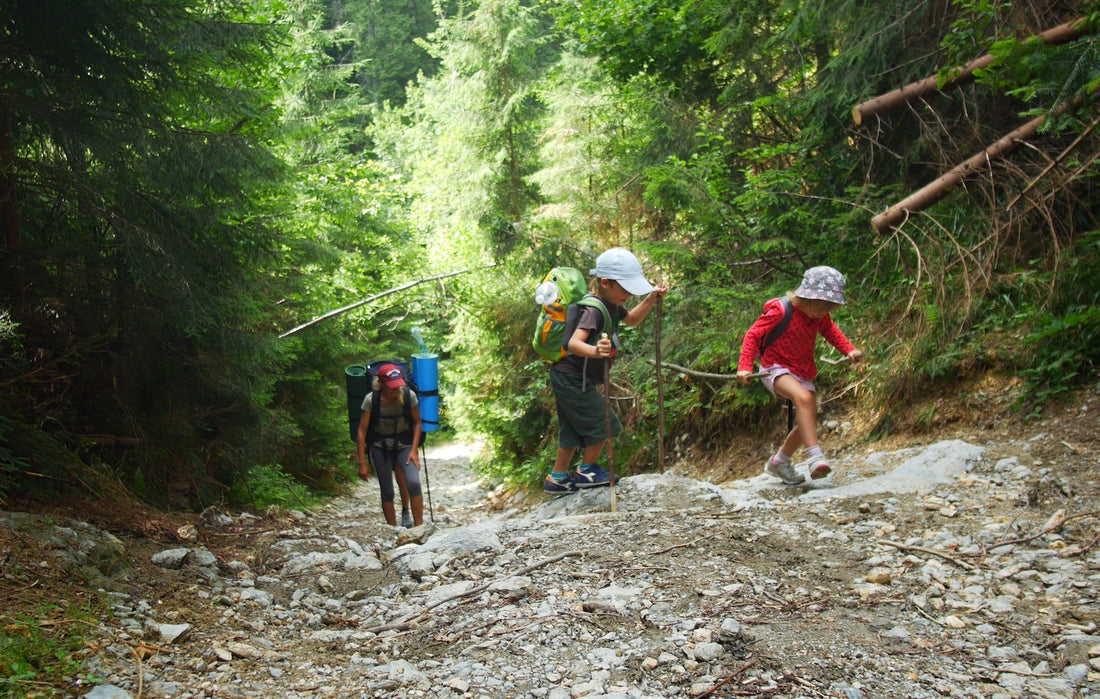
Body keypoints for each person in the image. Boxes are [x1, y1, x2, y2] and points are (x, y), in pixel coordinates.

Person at [544, 247, 669, 493]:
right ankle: (587, 470)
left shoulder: (611, 304)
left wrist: (651, 298)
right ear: (604, 283)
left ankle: (557, 478)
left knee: (571, 430)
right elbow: (574, 343)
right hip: (571, 378)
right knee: (605, 423)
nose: (629, 294)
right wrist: (595, 351)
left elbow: (632, 319)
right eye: (625, 289)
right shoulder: (594, 309)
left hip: (569, 377)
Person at [736, 266, 863, 485]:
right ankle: (815, 457)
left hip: (801, 370)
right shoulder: (780, 310)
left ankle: (779, 461)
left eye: (828, 309)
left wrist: (849, 350)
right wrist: (745, 365)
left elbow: (830, 330)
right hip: (774, 368)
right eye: (820, 307)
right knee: (803, 399)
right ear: (806, 297)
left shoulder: (819, 316)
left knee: (808, 420)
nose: (822, 313)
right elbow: (753, 335)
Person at [356, 363, 424, 526]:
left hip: (405, 445)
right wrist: (362, 463)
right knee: (387, 491)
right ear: (381, 384)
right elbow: (361, 432)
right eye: (391, 387)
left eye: (397, 386)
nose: (395, 389)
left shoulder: (409, 396)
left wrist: (414, 450)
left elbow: (417, 424)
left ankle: (419, 528)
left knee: (414, 483)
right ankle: (394, 531)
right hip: (379, 447)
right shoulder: (371, 400)